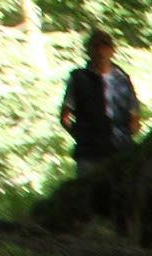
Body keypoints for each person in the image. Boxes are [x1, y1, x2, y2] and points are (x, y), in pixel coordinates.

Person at [59, 31, 140, 168]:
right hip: (89, 155)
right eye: (96, 46)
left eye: (105, 46)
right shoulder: (79, 79)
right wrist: (83, 137)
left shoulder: (122, 79)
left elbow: (135, 115)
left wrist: (126, 134)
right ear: (89, 51)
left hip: (121, 152)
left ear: (112, 51)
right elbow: (65, 117)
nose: (101, 51)